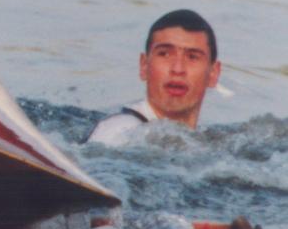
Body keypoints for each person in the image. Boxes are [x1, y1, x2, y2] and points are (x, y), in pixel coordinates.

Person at [85, 9, 221, 144]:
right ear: (144, 66)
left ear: (213, 74)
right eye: (164, 54)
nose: (177, 69)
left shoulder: (210, 142)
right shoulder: (119, 130)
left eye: (192, 57)